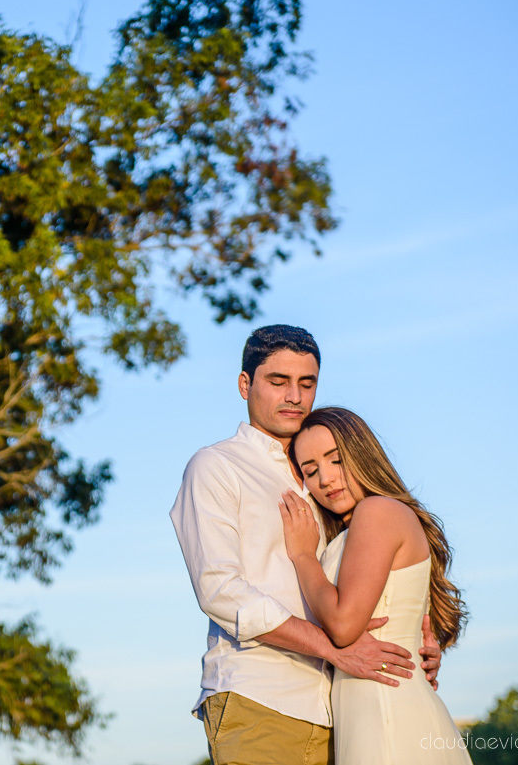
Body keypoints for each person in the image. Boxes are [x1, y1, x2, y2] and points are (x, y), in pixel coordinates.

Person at [170, 325, 443, 765]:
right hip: (262, 697)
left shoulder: (326, 478)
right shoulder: (217, 466)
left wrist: (419, 640)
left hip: (345, 708)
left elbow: (374, 570)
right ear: (245, 385)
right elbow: (220, 591)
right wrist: (332, 647)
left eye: (307, 383)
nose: (294, 396)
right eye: (278, 382)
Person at [279, 407, 470, 764]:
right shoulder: (355, 529)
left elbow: (343, 624)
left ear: (361, 453)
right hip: (370, 712)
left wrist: (303, 557)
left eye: (336, 460)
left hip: (387, 714)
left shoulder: (377, 511)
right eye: (311, 470)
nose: (326, 479)